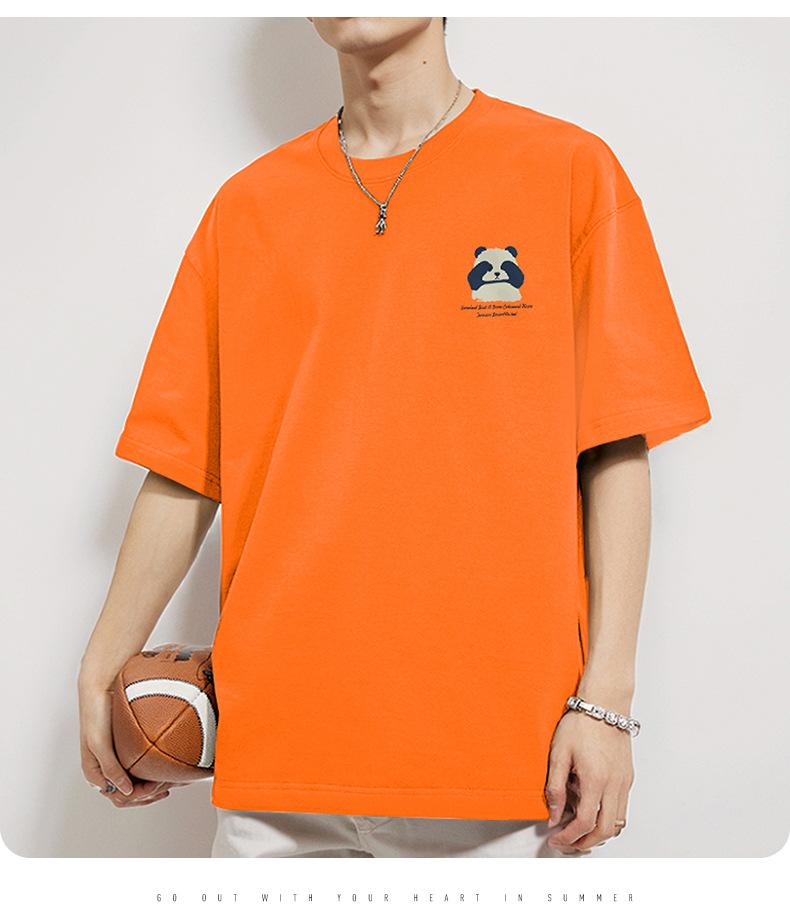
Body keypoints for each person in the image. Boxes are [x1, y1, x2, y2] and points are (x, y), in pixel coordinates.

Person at [78, 17, 711, 858]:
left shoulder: (565, 169)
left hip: (504, 766)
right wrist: (102, 662)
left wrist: (607, 705)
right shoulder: (248, 207)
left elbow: (615, 450)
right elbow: (185, 466)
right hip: (278, 760)